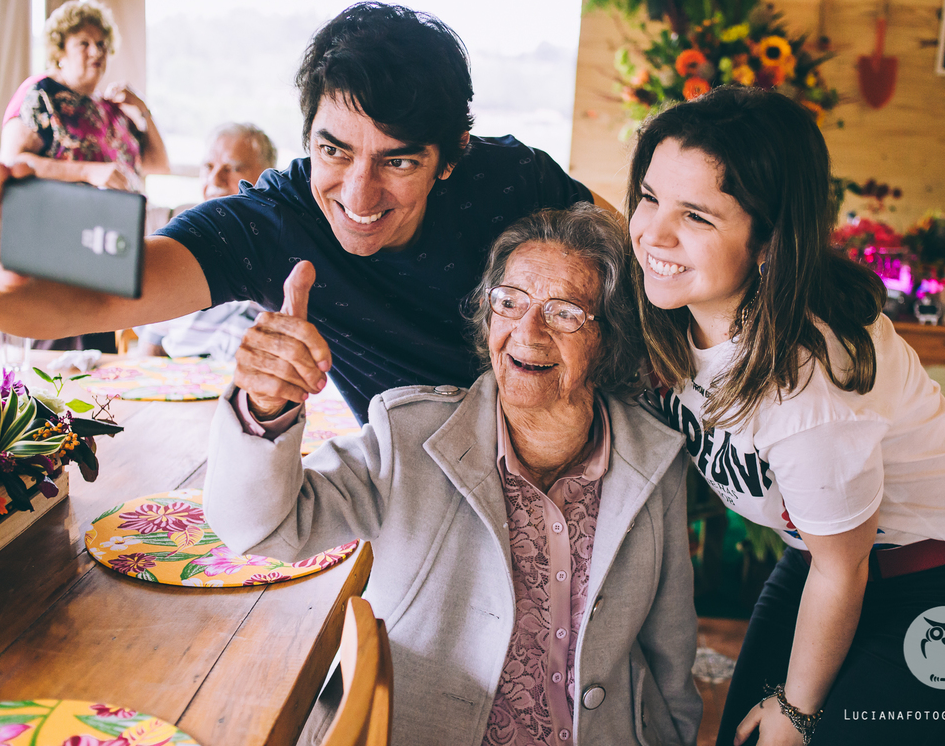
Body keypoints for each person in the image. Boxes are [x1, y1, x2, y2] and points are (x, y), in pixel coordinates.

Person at [0, 2, 603, 421]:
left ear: (452, 156)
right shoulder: (275, 222)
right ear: (307, 134)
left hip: (574, 454)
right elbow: (109, 294)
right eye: (334, 151)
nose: (358, 197)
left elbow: (633, 263)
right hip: (424, 484)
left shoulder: (512, 176)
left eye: (397, 162)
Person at [625, 87, 945, 746]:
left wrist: (796, 715)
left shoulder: (808, 384)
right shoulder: (677, 312)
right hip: (821, 561)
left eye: (698, 217)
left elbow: (841, 569)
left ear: (767, 239)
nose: (654, 232)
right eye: (649, 196)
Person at [203, 204, 701, 745]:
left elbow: (669, 646)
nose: (526, 331)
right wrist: (266, 405)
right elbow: (260, 530)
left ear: (609, 337)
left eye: (563, 312)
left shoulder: (655, 459)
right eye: (508, 303)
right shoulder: (409, 437)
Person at [135, 123, 277, 360]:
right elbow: (151, 346)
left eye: (232, 168)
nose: (215, 179)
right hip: (177, 381)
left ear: (268, 175)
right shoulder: (183, 239)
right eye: (208, 167)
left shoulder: (283, 249)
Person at [1, 0, 169, 192]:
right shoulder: (41, 94)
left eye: (101, 44)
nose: (96, 52)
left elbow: (158, 164)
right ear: (60, 51)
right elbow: (13, 162)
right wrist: (87, 172)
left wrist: (143, 109)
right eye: (84, 43)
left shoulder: (109, 108)